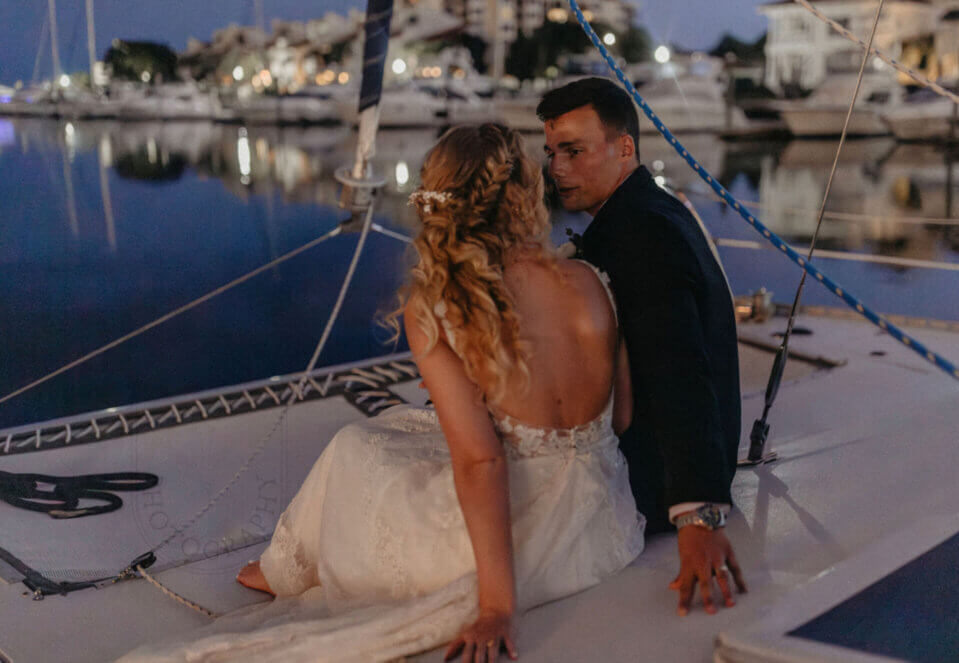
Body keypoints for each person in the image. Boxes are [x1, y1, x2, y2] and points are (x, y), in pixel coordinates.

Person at [117, 124, 644, 663]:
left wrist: (496, 606)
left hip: (516, 542)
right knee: (400, 425)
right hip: (602, 523)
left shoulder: (442, 302)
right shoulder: (590, 278)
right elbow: (620, 416)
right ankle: (290, 566)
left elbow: (482, 461)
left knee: (357, 446)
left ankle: (287, 569)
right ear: (528, 192)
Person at [537, 77, 747, 617]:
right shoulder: (649, 211)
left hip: (651, 480)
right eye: (551, 152)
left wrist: (697, 515)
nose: (556, 168)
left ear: (624, 147)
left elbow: (679, 369)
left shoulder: (640, 234)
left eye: (573, 151)